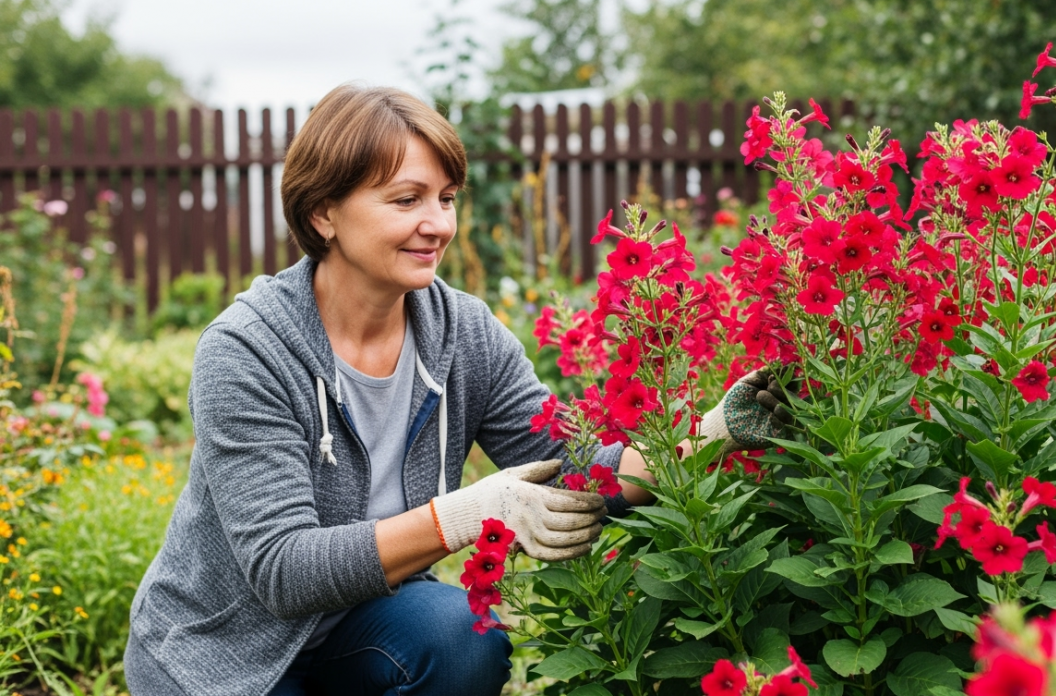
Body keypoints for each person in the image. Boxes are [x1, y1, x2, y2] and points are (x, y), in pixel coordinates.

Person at [123, 84, 786, 696]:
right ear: (324, 212)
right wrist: (468, 513)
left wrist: (708, 438)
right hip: (223, 657)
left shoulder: (462, 334)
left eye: (446, 198)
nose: (438, 224)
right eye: (406, 200)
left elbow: (575, 465)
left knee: (458, 635)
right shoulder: (248, 350)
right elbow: (282, 569)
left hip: (365, 627)